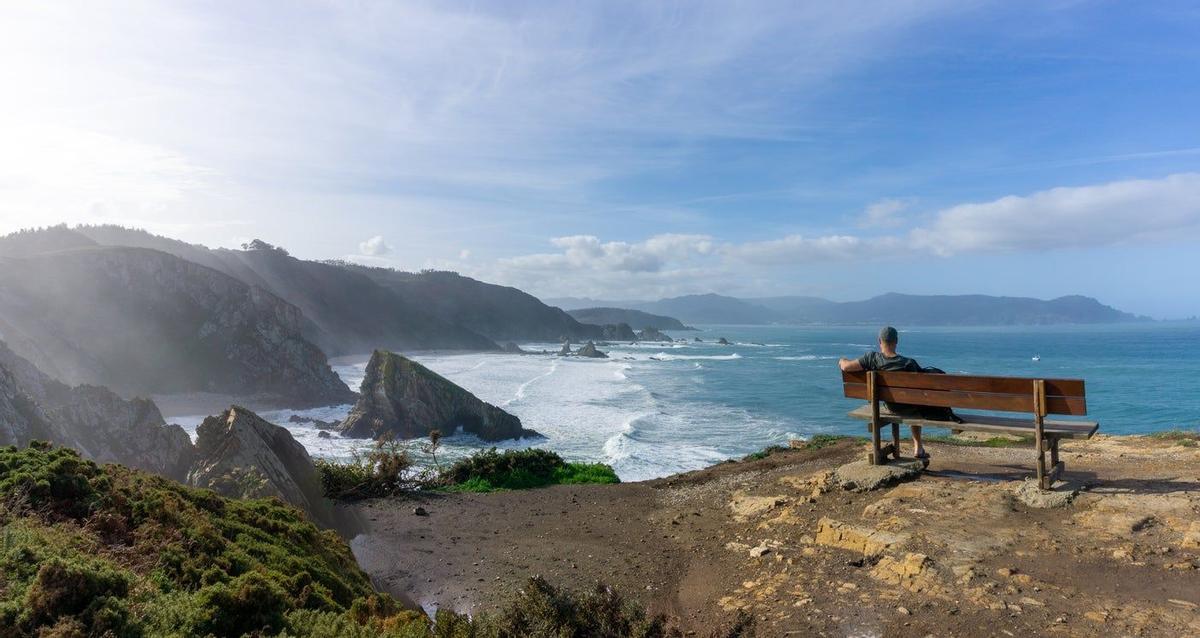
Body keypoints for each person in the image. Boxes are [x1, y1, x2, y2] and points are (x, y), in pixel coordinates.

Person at [838, 326, 929, 460]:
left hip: (890, 407)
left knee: (909, 404)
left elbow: (846, 367)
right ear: (896, 341)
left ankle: (882, 451)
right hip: (909, 408)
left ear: (880, 341)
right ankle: (917, 447)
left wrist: (842, 360)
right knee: (914, 404)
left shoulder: (872, 358)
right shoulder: (909, 363)